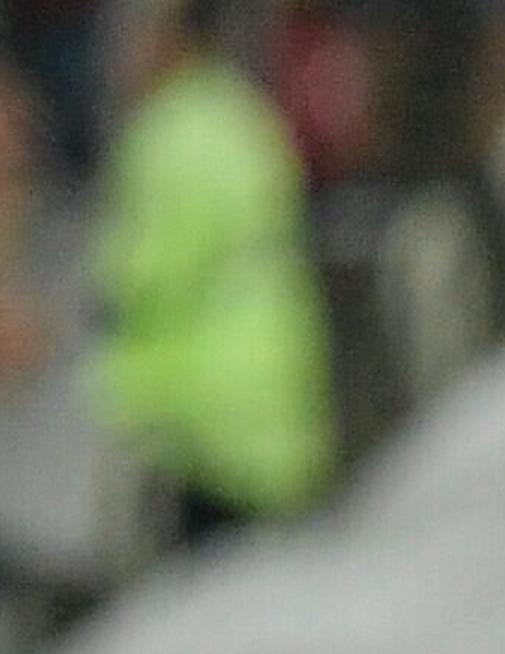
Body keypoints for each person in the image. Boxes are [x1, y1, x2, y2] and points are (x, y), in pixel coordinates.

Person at [91, 0, 336, 529]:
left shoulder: (165, 132)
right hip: (277, 366)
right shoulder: (239, 107)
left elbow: (148, 270)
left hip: (208, 412)